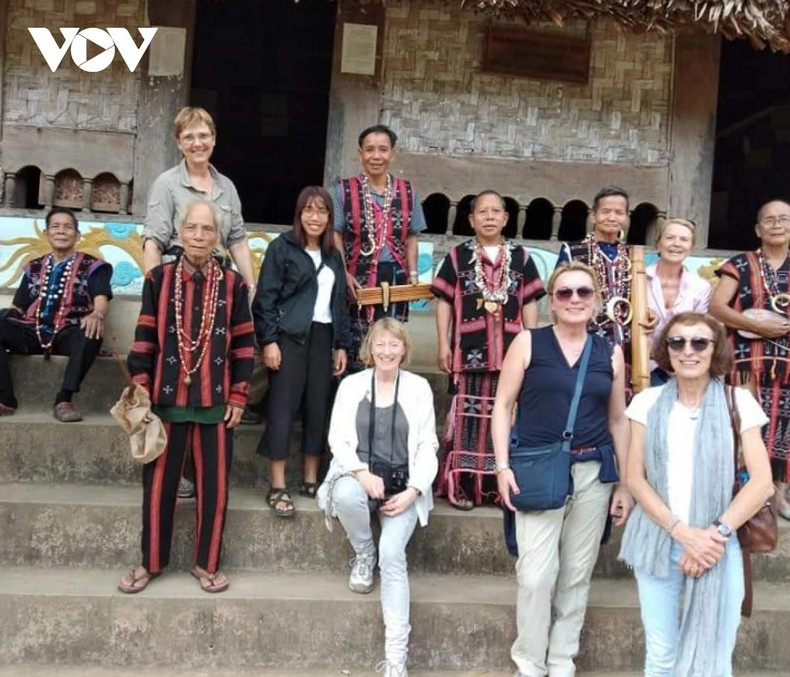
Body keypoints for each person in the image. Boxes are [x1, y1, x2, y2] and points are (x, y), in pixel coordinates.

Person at [492, 261, 632, 677]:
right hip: (538, 469)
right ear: (551, 302)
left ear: (596, 301)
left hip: (593, 472)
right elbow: (502, 406)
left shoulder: (610, 352)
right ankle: (530, 662)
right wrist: (502, 466)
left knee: (576, 573)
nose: (574, 299)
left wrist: (625, 483)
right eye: (564, 292)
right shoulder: (528, 343)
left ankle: (561, 660)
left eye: (583, 292)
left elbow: (618, 419)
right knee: (535, 575)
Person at [620, 312, 773, 677]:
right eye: (677, 342)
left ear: (714, 350)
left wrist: (712, 537)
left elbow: (762, 482)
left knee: (717, 654)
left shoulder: (739, 402)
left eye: (699, 342)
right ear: (666, 350)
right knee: (662, 655)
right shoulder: (646, 402)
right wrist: (683, 533)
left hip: (719, 544)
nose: (688, 351)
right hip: (659, 539)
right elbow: (635, 479)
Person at [118, 199, 254, 594]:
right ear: (179, 233)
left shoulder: (233, 284)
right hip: (165, 401)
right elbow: (144, 337)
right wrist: (141, 387)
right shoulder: (158, 280)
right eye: (192, 228)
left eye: (207, 229)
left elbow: (244, 344)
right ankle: (150, 562)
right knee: (158, 487)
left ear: (218, 237)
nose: (199, 236)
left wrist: (238, 395)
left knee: (215, 488)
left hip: (216, 404)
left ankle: (206, 564)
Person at [142, 106, 257, 497]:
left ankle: (201, 468)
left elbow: (236, 239)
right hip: (178, 283)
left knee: (213, 372)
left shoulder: (226, 187)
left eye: (203, 135)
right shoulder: (166, 183)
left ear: (214, 139)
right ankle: (177, 471)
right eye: (189, 136)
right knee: (178, 377)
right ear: (178, 142)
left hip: (218, 285)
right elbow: (154, 240)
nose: (197, 143)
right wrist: (156, 291)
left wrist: (249, 285)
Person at [317, 318, 438, 677]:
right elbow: (338, 439)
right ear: (369, 348)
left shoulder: (418, 388)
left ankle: (396, 660)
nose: (386, 351)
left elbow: (428, 445)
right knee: (344, 495)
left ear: (404, 350)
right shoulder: (352, 385)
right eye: (380, 344)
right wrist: (360, 472)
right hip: (361, 477)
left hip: (404, 487)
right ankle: (363, 552)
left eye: (394, 344)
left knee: (393, 555)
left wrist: (414, 491)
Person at [432, 190, 545, 509]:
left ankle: (498, 488)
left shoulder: (521, 258)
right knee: (467, 421)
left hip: (511, 354)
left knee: (507, 418)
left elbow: (530, 301)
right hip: (469, 354)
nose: (490, 217)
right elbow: (444, 302)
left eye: (496, 211)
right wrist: (443, 343)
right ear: (471, 220)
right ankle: (463, 486)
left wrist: (532, 343)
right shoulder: (457, 257)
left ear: (506, 218)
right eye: (483, 211)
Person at [252, 186, 351, 517]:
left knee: (317, 408)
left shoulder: (333, 255)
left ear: (330, 217)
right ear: (299, 214)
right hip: (289, 338)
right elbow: (265, 299)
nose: (315, 217)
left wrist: (341, 344)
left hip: (323, 337)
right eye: (308, 210)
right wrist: (268, 341)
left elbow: (340, 303)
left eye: (322, 211)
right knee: (282, 408)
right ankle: (278, 485)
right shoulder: (282, 248)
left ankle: (311, 479)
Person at [710, 199, 790, 520]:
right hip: (747, 364)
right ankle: (740, 496)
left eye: (783, 218)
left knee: (784, 429)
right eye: (769, 220)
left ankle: (778, 497)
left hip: (787, 366)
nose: (776, 224)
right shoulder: (740, 264)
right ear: (758, 229)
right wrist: (757, 325)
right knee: (745, 427)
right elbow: (717, 307)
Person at [0, 207, 112, 422]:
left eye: (68, 227)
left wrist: (97, 314)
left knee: (91, 333)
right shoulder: (33, 267)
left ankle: (64, 400)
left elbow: (101, 300)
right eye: (55, 226)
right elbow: (19, 307)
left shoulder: (94, 266)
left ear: (77, 235)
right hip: (33, 331)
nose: (61, 231)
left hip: (70, 331)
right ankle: (5, 398)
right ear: (46, 234)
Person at [331, 124, 426, 368]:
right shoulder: (342, 190)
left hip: (395, 275)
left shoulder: (408, 191)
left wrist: (413, 273)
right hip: (356, 276)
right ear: (360, 153)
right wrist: (344, 273)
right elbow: (335, 234)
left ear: (392, 154)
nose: (376, 156)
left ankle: (387, 383)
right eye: (370, 149)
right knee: (356, 341)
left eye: (383, 150)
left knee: (390, 339)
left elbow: (412, 236)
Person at [557, 186, 656, 398]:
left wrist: (648, 314)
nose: (612, 217)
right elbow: (559, 297)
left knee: (625, 403)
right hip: (585, 342)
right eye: (605, 211)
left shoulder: (633, 257)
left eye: (619, 212)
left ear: (626, 218)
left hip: (627, 347)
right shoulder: (572, 251)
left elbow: (638, 299)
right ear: (593, 215)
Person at [646, 218, 712, 385]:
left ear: (691, 248)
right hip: (641, 365)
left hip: (682, 367)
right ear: (658, 245)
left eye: (684, 239)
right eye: (670, 238)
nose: (676, 244)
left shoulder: (700, 287)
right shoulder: (638, 279)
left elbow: (699, 330)